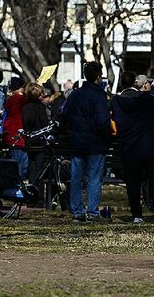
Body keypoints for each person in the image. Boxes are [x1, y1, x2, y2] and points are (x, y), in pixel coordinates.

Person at [111, 72, 154, 223]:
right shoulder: (146, 99)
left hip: (129, 146)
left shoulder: (116, 101)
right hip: (149, 144)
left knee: (132, 182)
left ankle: (137, 214)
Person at [65, 61, 111, 222]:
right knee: (94, 178)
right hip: (95, 142)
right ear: (98, 77)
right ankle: (92, 211)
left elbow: (65, 116)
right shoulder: (98, 96)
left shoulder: (75, 95)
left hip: (77, 141)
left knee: (76, 178)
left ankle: (77, 211)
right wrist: (108, 135)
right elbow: (103, 121)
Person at [2, 77, 29, 179]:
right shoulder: (21, 99)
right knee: (21, 164)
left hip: (9, 133)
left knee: (13, 162)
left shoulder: (9, 100)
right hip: (18, 135)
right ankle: (18, 186)